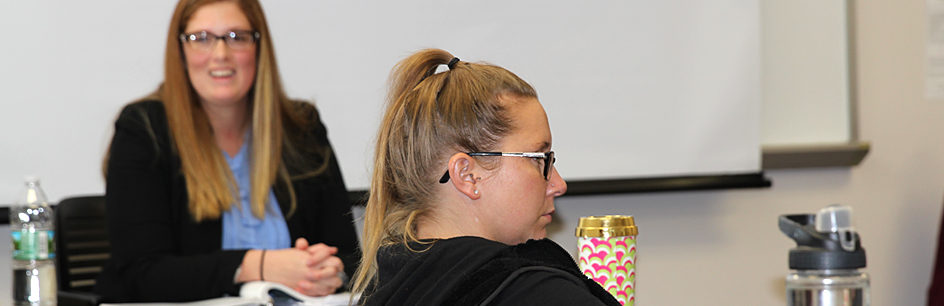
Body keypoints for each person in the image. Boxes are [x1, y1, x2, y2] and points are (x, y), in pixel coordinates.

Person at [95, 0, 359, 302]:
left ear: (259, 48)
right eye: (201, 38)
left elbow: (349, 256)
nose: (221, 54)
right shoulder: (144, 129)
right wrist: (257, 265)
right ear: (180, 51)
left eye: (237, 37)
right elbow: (143, 273)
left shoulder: (301, 127)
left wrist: (328, 273)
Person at [350, 49, 620, 306]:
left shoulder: (387, 286)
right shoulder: (534, 293)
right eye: (540, 159)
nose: (558, 185)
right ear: (468, 175)